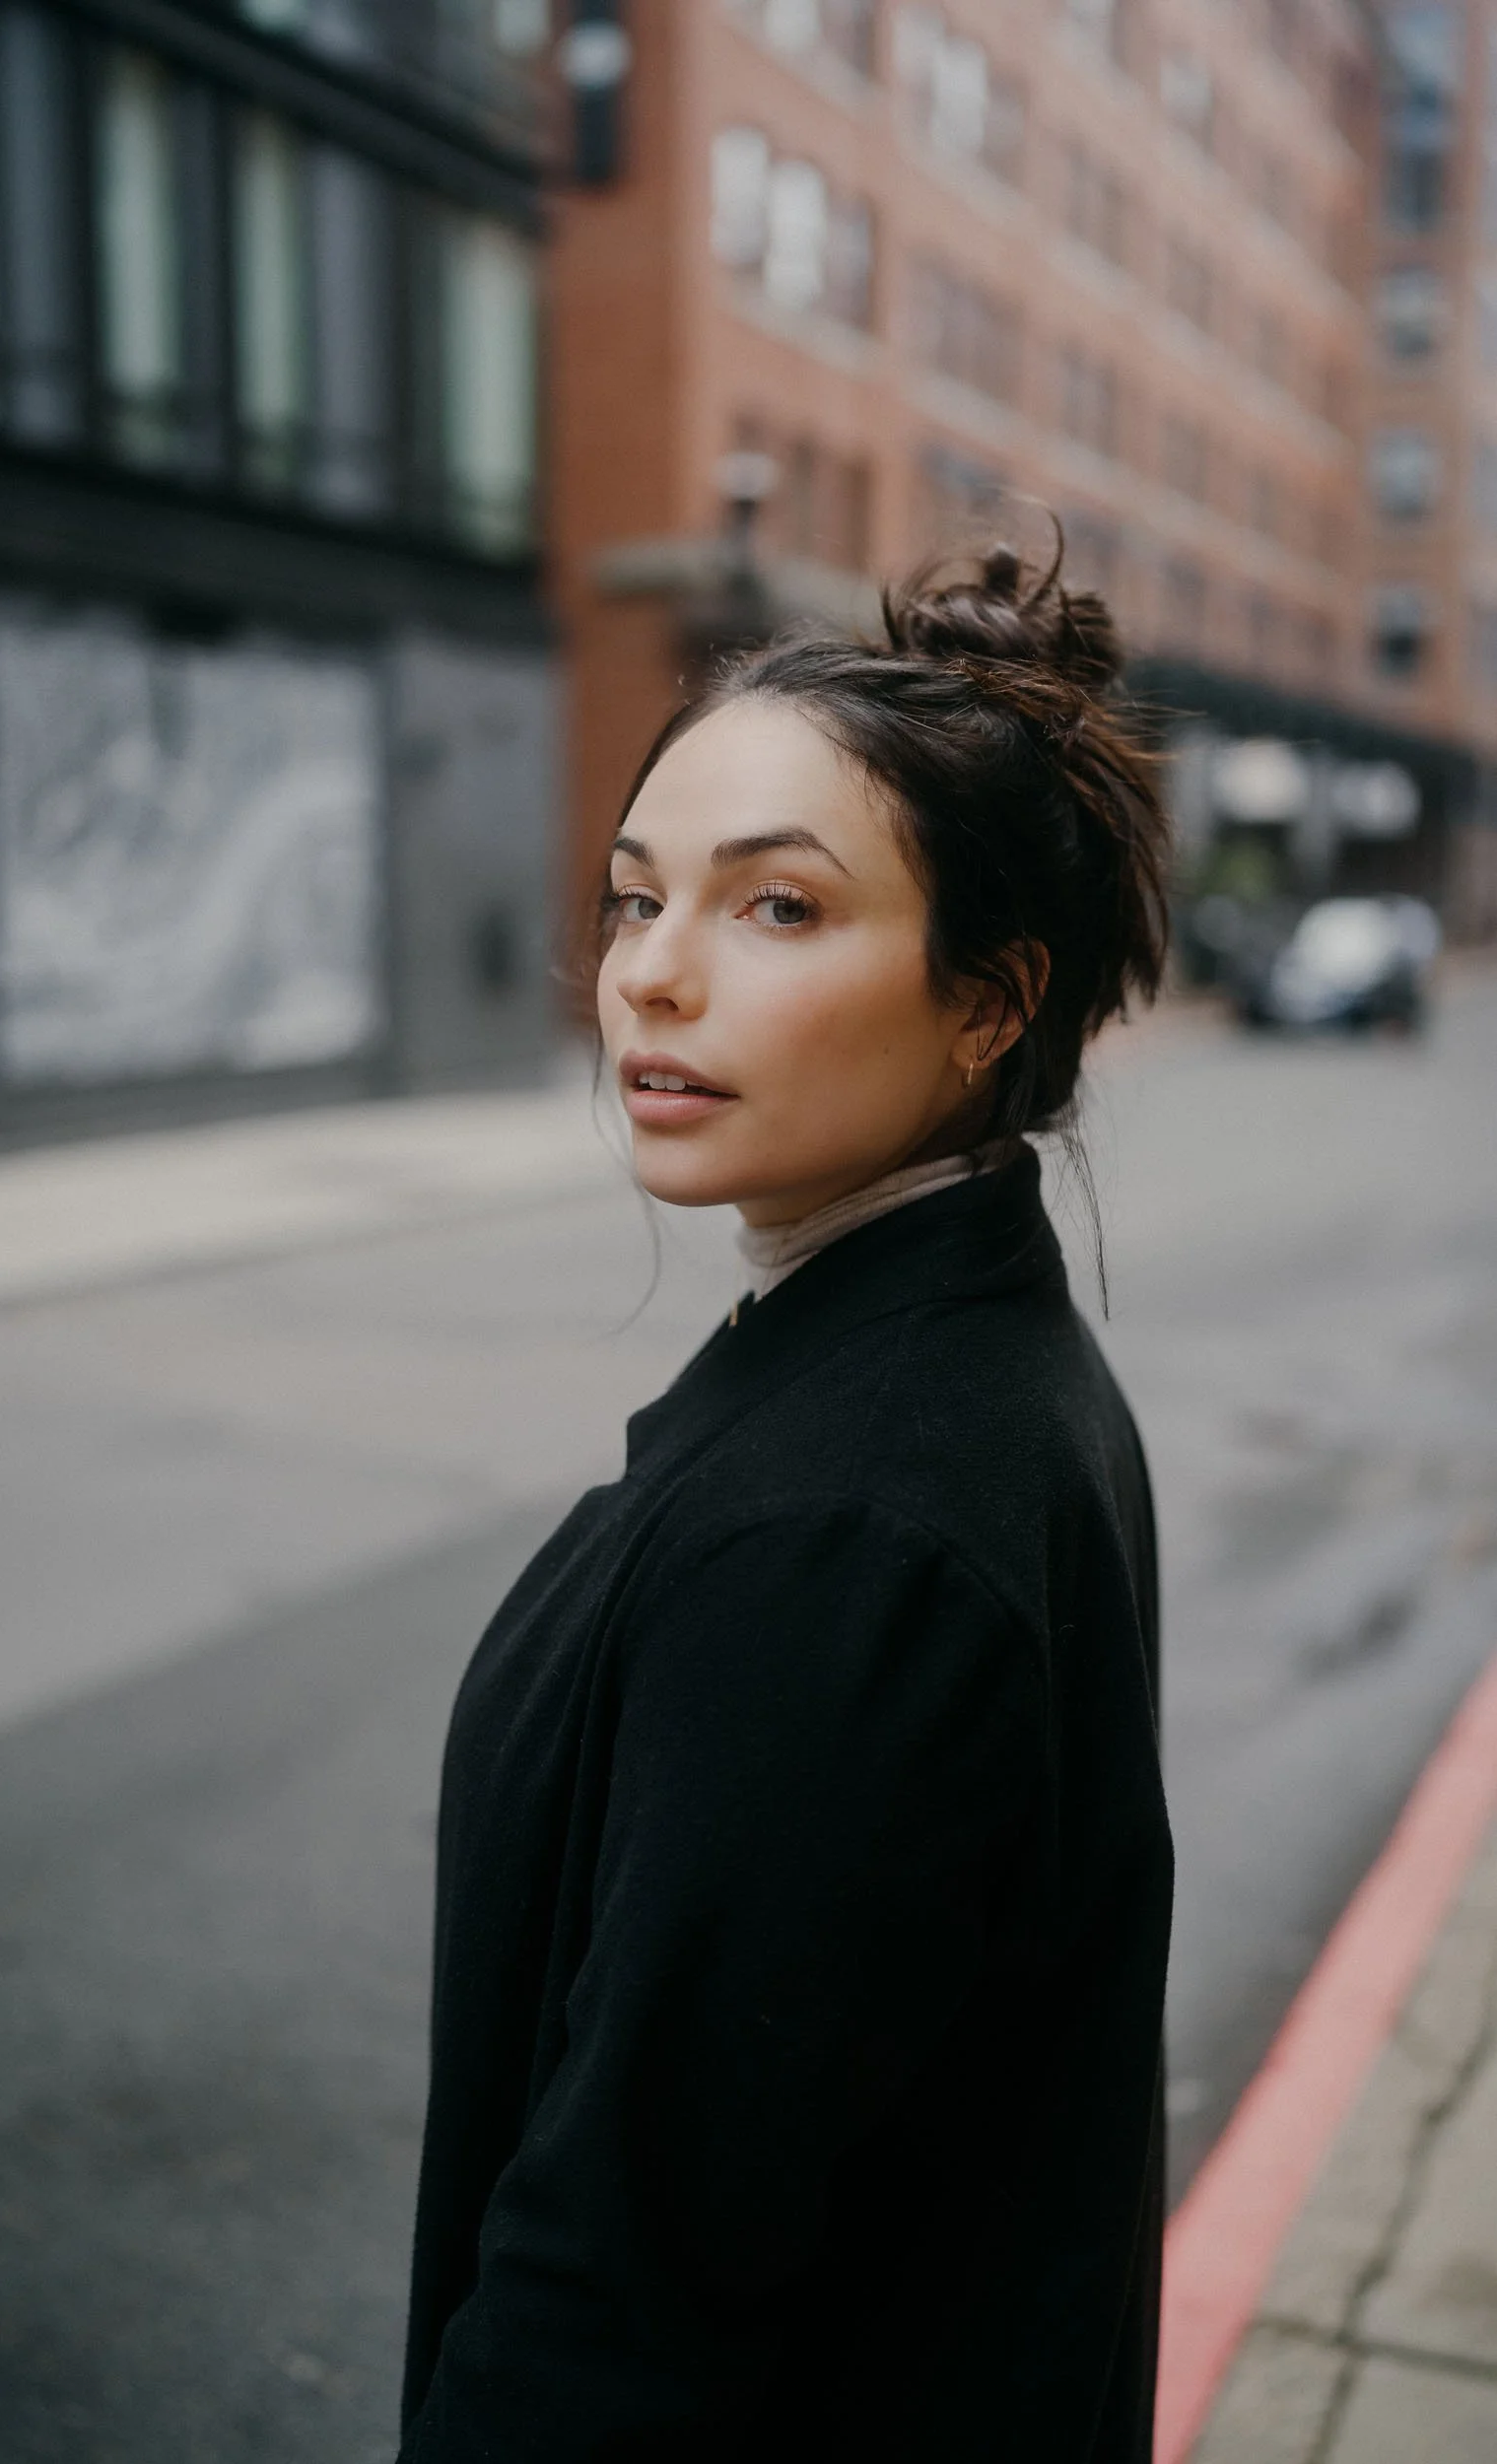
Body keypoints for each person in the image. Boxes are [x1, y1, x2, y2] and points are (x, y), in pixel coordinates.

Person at [397, 539, 1175, 2463]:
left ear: (988, 1001)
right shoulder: (969, 1367)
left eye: (776, 905)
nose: (647, 971)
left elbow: (629, 2281)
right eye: (636, 892)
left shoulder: (849, 1530)